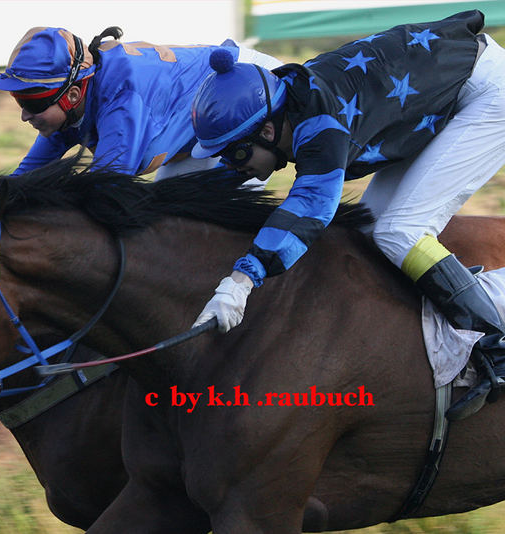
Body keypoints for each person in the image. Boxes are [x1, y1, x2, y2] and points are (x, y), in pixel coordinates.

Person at [189, 10, 505, 420]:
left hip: (485, 93)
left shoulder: (319, 123)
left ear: (267, 131)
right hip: (446, 92)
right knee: (372, 228)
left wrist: (241, 280)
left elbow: (311, 208)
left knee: (401, 233)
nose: (233, 166)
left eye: (236, 153)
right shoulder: (290, 102)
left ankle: (496, 346)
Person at [0, 26, 281, 184]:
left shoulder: (121, 105)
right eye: (19, 100)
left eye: (33, 102)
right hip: (208, 120)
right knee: (170, 221)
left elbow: (101, 191)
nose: (24, 115)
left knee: (192, 232)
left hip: (251, 94)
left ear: (73, 95)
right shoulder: (74, 98)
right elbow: (21, 179)